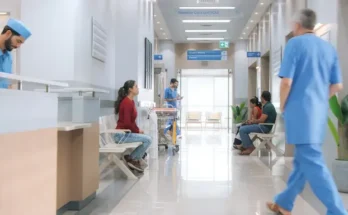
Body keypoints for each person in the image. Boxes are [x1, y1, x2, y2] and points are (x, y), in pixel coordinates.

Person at [267, 9, 347, 215]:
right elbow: (337, 86)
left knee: (312, 161)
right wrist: (319, 99)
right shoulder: (328, 48)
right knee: (304, 159)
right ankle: (284, 202)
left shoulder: (295, 44)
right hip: (319, 113)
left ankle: (337, 210)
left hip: (300, 112)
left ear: (296, 25)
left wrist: (284, 104)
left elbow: (286, 82)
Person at [114, 80, 152, 173]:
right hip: (121, 136)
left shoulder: (131, 102)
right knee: (148, 140)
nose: (138, 88)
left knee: (147, 138)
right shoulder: (126, 103)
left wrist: (137, 130)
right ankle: (132, 159)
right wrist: (137, 131)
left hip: (126, 133)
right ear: (130, 89)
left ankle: (134, 158)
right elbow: (127, 123)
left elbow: (131, 121)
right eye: (136, 86)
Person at [238, 91, 277, 155]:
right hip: (264, 126)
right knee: (242, 128)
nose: (260, 99)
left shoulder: (268, 107)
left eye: (261, 97)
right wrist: (252, 121)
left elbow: (261, 120)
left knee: (242, 129)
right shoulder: (268, 105)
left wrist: (253, 121)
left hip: (264, 127)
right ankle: (247, 146)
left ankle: (250, 148)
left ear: (262, 98)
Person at [0, 18, 31, 89]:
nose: (18, 46)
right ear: (8, 33)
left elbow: (8, 83)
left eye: (21, 43)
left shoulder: (8, 57)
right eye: (18, 41)